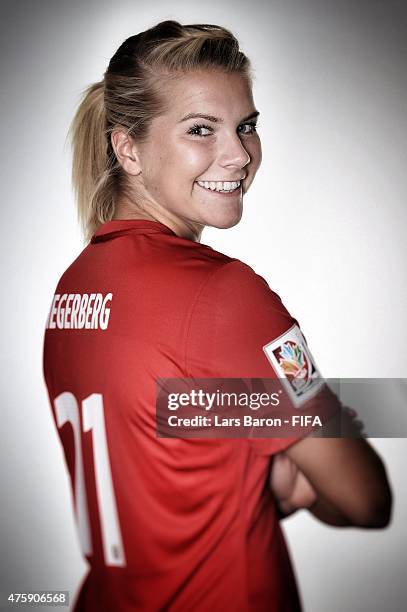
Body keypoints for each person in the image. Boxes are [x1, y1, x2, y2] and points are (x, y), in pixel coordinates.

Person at [42, 20, 392, 612]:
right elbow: (364, 497)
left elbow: (168, 435)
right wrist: (283, 459)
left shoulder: (74, 288)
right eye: (201, 129)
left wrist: (250, 434)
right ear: (127, 148)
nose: (238, 155)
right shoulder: (222, 295)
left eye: (246, 126)